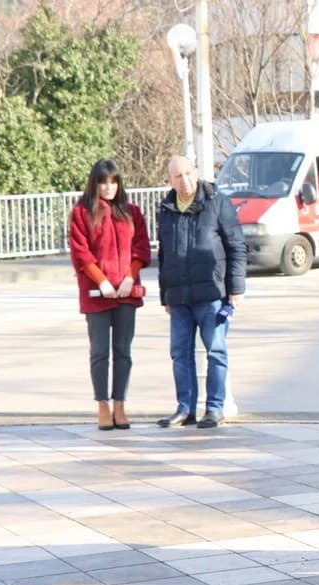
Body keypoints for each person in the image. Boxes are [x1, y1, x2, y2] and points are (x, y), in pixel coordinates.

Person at [155, 155, 247, 430]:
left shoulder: (217, 202)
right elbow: (164, 255)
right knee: (180, 354)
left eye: (187, 173)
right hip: (179, 298)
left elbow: (237, 246)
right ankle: (185, 409)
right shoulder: (167, 208)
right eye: (177, 176)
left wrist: (236, 289)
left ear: (196, 172)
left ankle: (214, 408)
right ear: (170, 180)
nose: (184, 181)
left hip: (211, 295)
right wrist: (165, 296)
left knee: (216, 352)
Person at [68, 159, 151, 431]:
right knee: (100, 351)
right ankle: (102, 405)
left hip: (126, 292)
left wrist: (129, 276)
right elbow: (81, 252)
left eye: (113, 181)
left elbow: (140, 250)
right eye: (103, 181)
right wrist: (101, 280)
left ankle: (120, 404)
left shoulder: (133, 213)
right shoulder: (81, 213)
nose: (108, 187)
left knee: (123, 351)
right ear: (95, 183)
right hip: (96, 293)